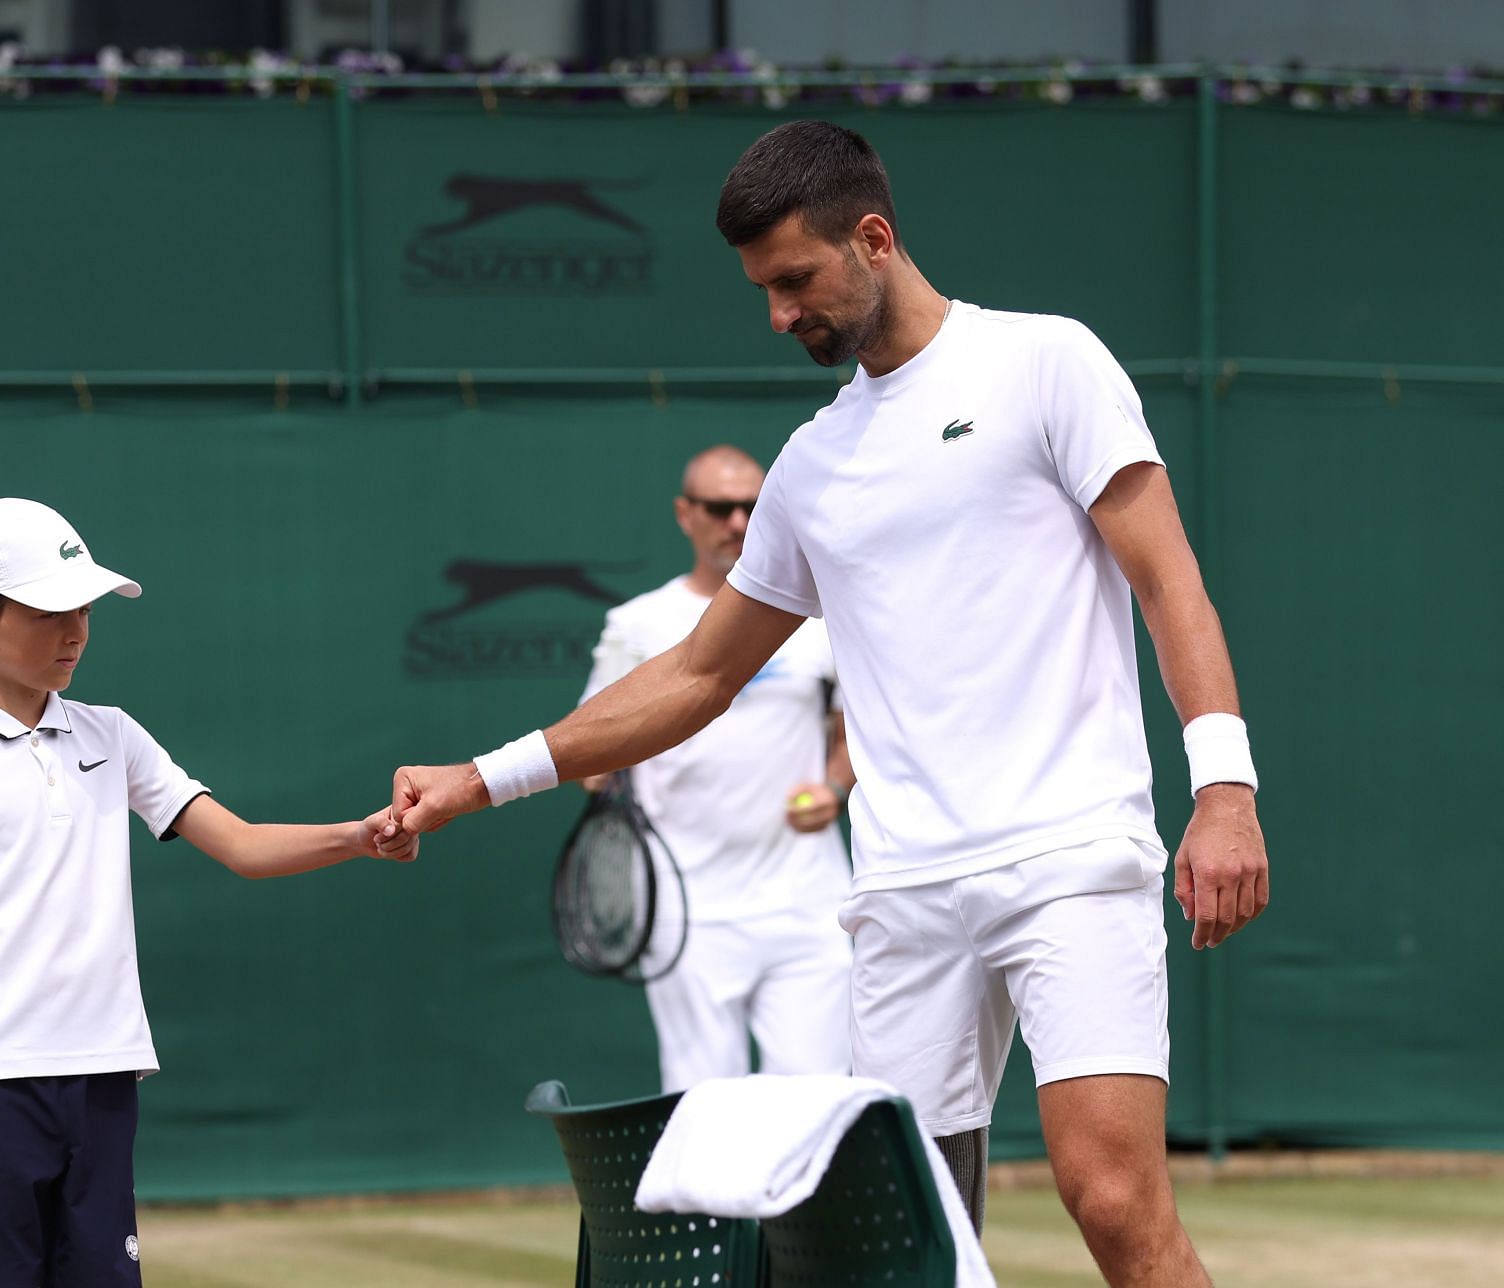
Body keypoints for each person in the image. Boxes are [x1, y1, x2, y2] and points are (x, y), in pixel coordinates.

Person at [389, 121, 1268, 1288]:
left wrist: (1226, 787)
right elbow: (700, 673)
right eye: (760, 289)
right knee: (896, 1247)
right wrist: (481, 776)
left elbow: (1170, 581)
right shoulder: (808, 465)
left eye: (795, 280)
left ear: (875, 238)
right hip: (904, 893)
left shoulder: (1048, 363)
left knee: (1110, 1198)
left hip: (1068, 854)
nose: (778, 313)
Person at [0, 498, 413, 1288]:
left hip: (103, 1081)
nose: (76, 632)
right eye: (50, 612)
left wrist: (357, 835)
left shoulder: (113, 735)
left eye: (84, 610)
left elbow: (242, 846)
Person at [579, 444, 854, 1093]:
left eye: (753, 507)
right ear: (686, 514)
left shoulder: (820, 615)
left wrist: (834, 787)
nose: (738, 522)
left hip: (808, 904)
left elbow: (856, 733)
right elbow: (592, 763)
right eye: (720, 507)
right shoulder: (638, 625)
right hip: (686, 909)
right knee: (704, 1104)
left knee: (815, 1100)